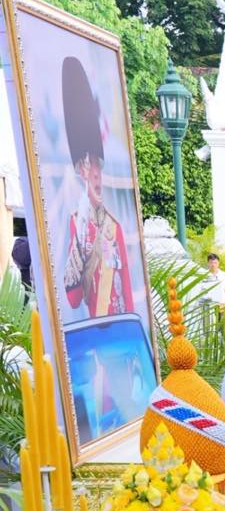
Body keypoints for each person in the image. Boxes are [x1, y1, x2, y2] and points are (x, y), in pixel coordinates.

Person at [60, 55, 133, 320]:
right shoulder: (77, 225)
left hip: (121, 336)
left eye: (98, 168)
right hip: (97, 336)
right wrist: (81, 243)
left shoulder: (115, 228)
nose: (96, 177)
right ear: (81, 172)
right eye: (90, 169)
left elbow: (126, 290)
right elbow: (73, 299)